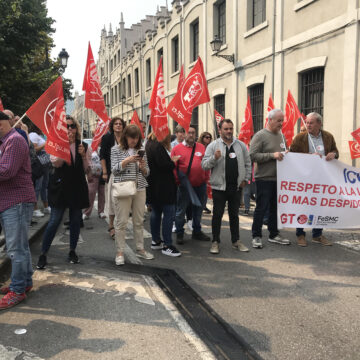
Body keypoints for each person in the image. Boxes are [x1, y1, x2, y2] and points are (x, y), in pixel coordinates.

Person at [36, 116, 90, 269]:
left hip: (77, 187)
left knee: (75, 221)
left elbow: (88, 170)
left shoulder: (83, 145)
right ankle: (43, 254)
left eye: (72, 126)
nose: (70, 129)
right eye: (66, 126)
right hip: (60, 188)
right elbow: (56, 163)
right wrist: (65, 147)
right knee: (54, 221)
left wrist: (83, 155)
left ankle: (72, 251)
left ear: (76, 128)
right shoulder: (57, 144)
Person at [0, 111, 36, 309]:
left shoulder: (13, 140)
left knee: (16, 248)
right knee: (20, 246)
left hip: (17, 201)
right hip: (12, 201)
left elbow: (6, 171)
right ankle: (24, 282)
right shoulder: (8, 141)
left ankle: (18, 289)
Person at [202, 119, 251, 254]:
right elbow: (204, 165)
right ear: (220, 130)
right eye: (226, 129)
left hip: (235, 187)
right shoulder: (213, 146)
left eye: (230, 128)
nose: (229, 131)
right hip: (219, 188)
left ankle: (236, 241)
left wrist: (245, 179)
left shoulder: (240, 145)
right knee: (217, 215)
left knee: (234, 215)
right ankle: (215, 242)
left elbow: (248, 163)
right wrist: (214, 158)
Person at [290, 112, 338, 247]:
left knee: (319, 206)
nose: (308, 125)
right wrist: (308, 156)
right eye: (307, 122)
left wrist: (333, 154)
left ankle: (317, 234)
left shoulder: (328, 136)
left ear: (319, 124)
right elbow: (292, 156)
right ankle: (300, 234)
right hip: (305, 178)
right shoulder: (300, 138)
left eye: (311, 122)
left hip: (322, 178)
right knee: (303, 206)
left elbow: (335, 150)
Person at [111, 124, 154, 265]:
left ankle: (140, 249)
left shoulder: (142, 150)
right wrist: (127, 161)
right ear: (125, 137)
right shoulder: (116, 149)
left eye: (136, 138)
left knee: (139, 220)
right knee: (121, 221)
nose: (134, 141)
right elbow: (114, 170)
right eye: (131, 138)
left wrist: (142, 167)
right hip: (123, 188)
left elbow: (147, 172)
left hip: (140, 188)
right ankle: (119, 252)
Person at [249, 109, 290, 249]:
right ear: (270, 120)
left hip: (279, 178)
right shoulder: (260, 136)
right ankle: (256, 236)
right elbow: (252, 155)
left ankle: (273, 234)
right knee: (261, 208)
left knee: (275, 208)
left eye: (282, 120)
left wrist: (286, 154)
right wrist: (272, 155)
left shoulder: (281, 135)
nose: (281, 123)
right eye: (279, 120)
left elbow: (282, 152)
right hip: (264, 178)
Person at [171, 124, 210, 244]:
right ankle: (179, 233)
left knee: (198, 211)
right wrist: (178, 181)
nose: (191, 135)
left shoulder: (201, 147)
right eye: (189, 132)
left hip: (200, 186)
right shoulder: (176, 149)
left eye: (193, 132)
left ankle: (197, 232)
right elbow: (174, 168)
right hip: (184, 187)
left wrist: (206, 179)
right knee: (181, 211)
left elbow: (206, 164)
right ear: (183, 134)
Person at [145, 132, 181, 257]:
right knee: (168, 215)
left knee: (156, 213)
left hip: (153, 186)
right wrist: (172, 161)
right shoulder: (158, 146)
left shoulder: (149, 144)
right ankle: (167, 244)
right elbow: (164, 165)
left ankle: (156, 240)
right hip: (164, 187)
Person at [100, 117, 126, 239]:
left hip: (126, 174)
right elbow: (103, 156)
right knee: (111, 199)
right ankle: (111, 225)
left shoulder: (127, 138)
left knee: (123, 201)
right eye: (116, 124)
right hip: (112, 174)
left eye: (120, 124)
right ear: (112, 126)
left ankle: (121, 226)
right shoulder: (106, 138)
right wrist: (105, 172)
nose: (118, 125)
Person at [28, 124, 51, 217]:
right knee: (38, 186)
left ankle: (46, 206)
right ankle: (35, 208)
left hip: (44, 164)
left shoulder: (38, 136)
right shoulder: (33, 135)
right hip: (39, 164)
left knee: (44, 186)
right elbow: (34, 150)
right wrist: (45, 144)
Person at [82, 146, 106, 220]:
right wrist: (88, 172)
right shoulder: (90, 148)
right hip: (93, 174)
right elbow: (87, 161)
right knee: (91, 193)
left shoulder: (103, 148)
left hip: (102, 174)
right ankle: (87, 212)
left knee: (102, 193)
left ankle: (101, 211)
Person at [198, 131, 213, 214]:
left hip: (208, 170)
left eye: (210, 137)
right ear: (202, 138)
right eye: (207, 137)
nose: (208, 139)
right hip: (200, 170)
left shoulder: (211, 147)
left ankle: (203, 205)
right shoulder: (199, 147)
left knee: (206, 190)